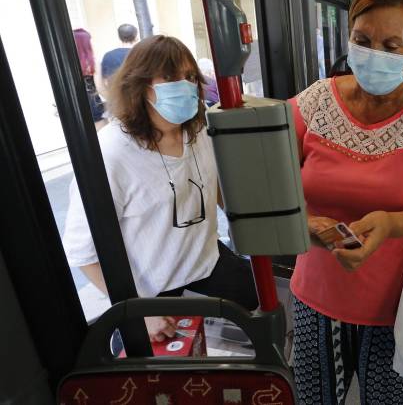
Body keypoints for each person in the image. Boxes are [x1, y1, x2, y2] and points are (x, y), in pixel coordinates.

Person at [289, 0, 403, 405]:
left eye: (391, 45)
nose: (374, 55)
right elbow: (269, 188)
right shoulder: (315, 103)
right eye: (362, 41)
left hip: (398, 304)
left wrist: (393, 224)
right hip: (316, 295)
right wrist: (306, 225)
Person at [63, 35, 258, 343]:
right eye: (169, 76)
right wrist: (136, 310)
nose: (185, 85)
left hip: (209, 263)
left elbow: (217, 188)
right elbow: (82, 252)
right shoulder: (111, 154)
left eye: (190, 76)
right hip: (152, 294)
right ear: (139, 85)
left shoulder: (199, 130)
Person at [73, 28, 107, 130]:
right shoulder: (91, 63)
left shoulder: (67, 64)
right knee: (101, 135)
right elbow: (100, 87)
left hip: (74, 104)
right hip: (92, 103)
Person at [98, 23, 138, 94]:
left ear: (119, 37)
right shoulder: (141, 54)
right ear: (135, 36)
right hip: (138, 96)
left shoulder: (108, 56)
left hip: (117, 98)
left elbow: (105, 81)